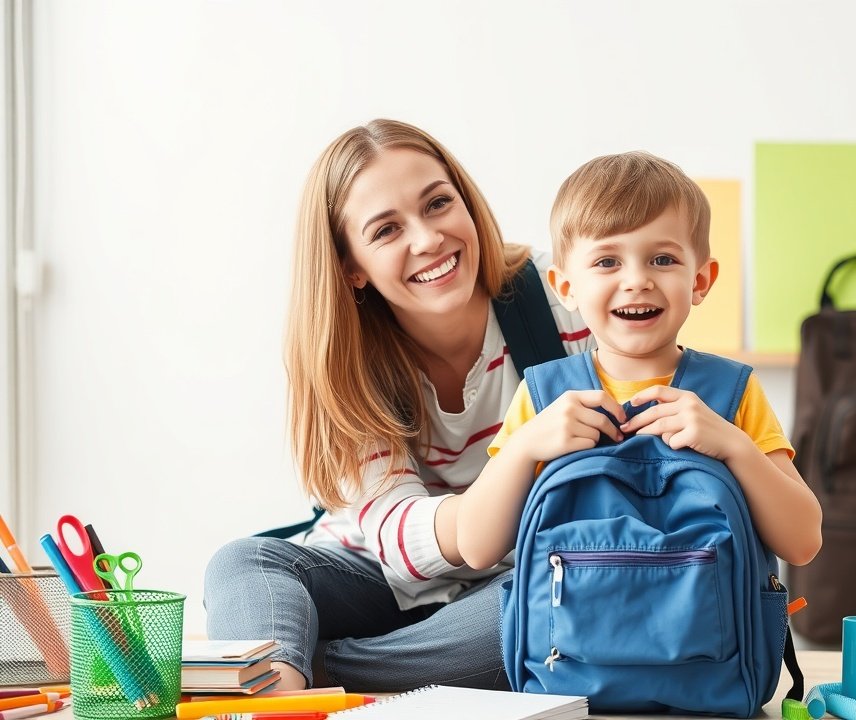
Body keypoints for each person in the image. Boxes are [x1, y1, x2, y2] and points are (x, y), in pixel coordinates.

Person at [203, 120, 592, 692]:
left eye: (438, 203)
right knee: (241, 563)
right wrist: (510, 473)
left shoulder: (559, 297)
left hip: (516, 577)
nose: (428, 238)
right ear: (350, 267)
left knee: (555, 608)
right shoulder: (346, 357)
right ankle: (280, 692)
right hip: (373, 572)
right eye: (386, 230)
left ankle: (320, 670)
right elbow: (400, 541)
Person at [456, 151, 823, 572]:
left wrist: (734, 446)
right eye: (607, 262)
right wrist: (523, 450)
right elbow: (477, 549)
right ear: (565, 287)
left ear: (700, 281)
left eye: (663, 259)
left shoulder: (732, 391)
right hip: (573, 640)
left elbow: (803, 543)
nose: (636, 281)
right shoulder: (545, 398)